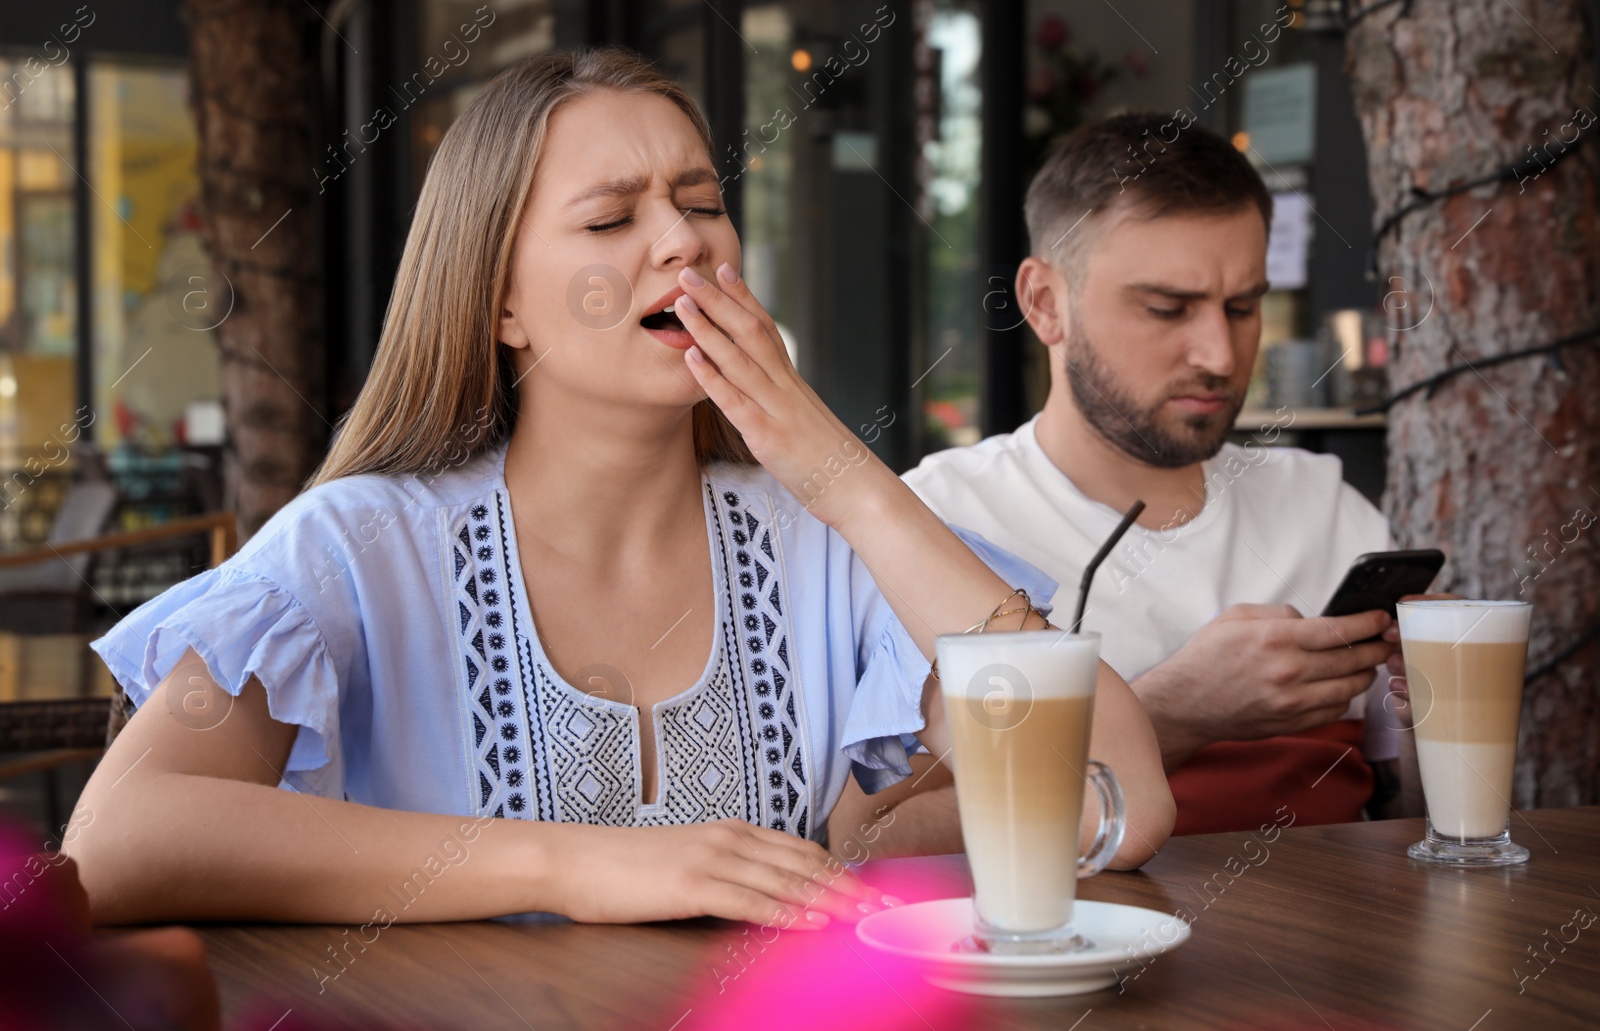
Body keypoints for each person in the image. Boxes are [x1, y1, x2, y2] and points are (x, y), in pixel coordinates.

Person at [64, 50, 1173, 931]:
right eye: (611, 219)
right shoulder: (358, 548)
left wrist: (848, 482)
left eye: (701, 202)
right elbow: (118, 841)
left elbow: (1113, 800)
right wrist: (579, 862)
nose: (682, 240)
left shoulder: (831, 551)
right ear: (500, 303)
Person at [829, 112, 1410, 849]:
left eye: (1243, 307)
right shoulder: (937, 525)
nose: (1221, 355)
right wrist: (1173, 711)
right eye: (1167, 308)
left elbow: (1404, 815)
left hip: (1344, 948)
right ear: (1044, 303)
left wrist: (1436, 705)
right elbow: (869, 842)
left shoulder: (1324, 507)